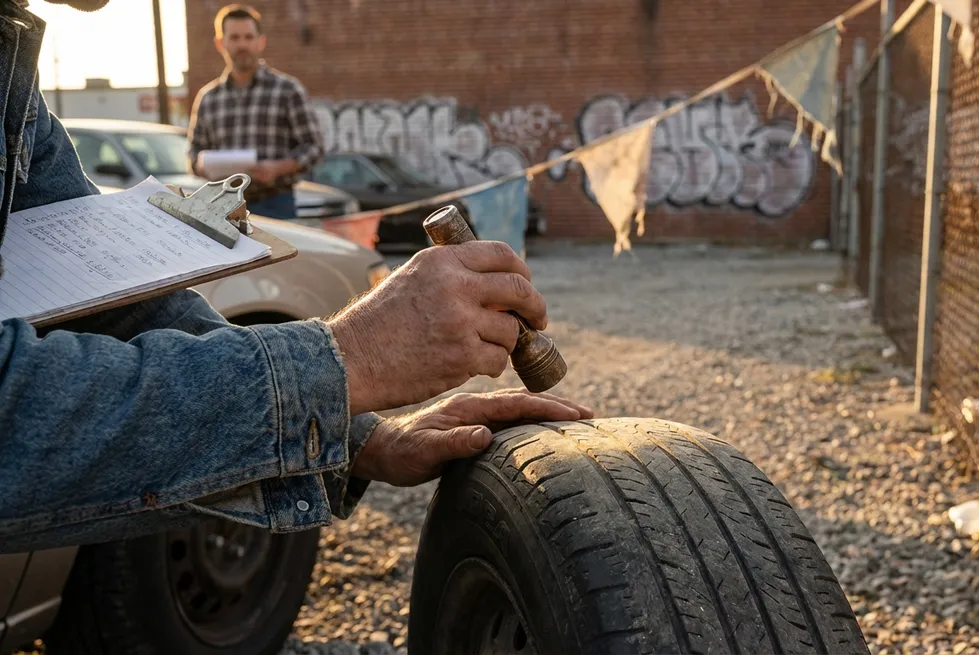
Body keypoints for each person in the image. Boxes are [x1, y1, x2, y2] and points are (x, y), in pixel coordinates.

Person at [0, 0, 590, 553]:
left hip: (275, 206)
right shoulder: (207, 96)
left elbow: (113, 301)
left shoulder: (12, 70)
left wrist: (361, 431)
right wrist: (353, 356)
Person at [187, 4, 322, 219]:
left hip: (276, 204)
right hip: (223, 208)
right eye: (235, 38)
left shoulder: (288, 91)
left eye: (249, 37)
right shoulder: (208, 98)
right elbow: (193, 154)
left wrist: (277, 168)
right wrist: (203, 166)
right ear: (220, 43)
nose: (242, 45)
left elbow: (315, 147)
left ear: (261, 41)